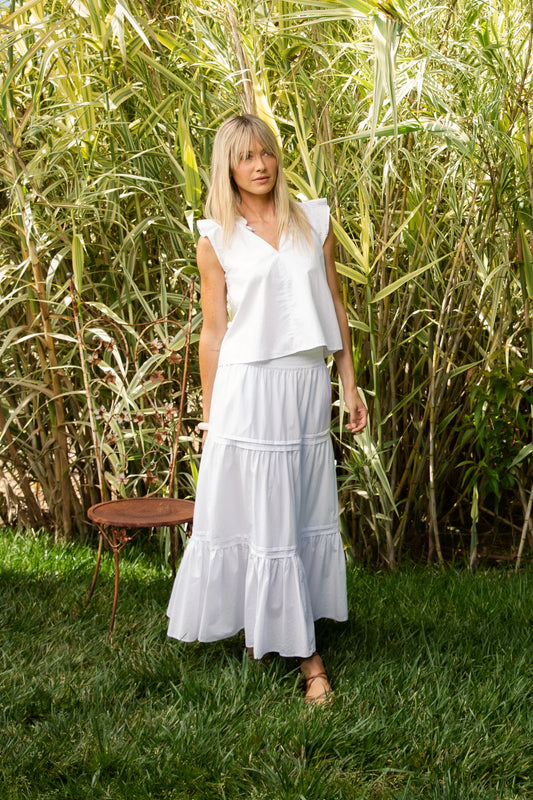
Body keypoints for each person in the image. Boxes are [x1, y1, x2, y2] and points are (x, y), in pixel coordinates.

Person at [167, 113, 367, 704]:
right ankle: (310, 663)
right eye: (246, 157)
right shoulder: (216, 237)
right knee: (264, 507)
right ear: (227, 167)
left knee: (294, 505)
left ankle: (270, 627)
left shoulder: (313, 220)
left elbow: (334, 304)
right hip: (247, 388)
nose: (259, 166)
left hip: (304, 382)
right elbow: (212, 332)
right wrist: (209, 415)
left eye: (267, 154)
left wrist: (348, 384)